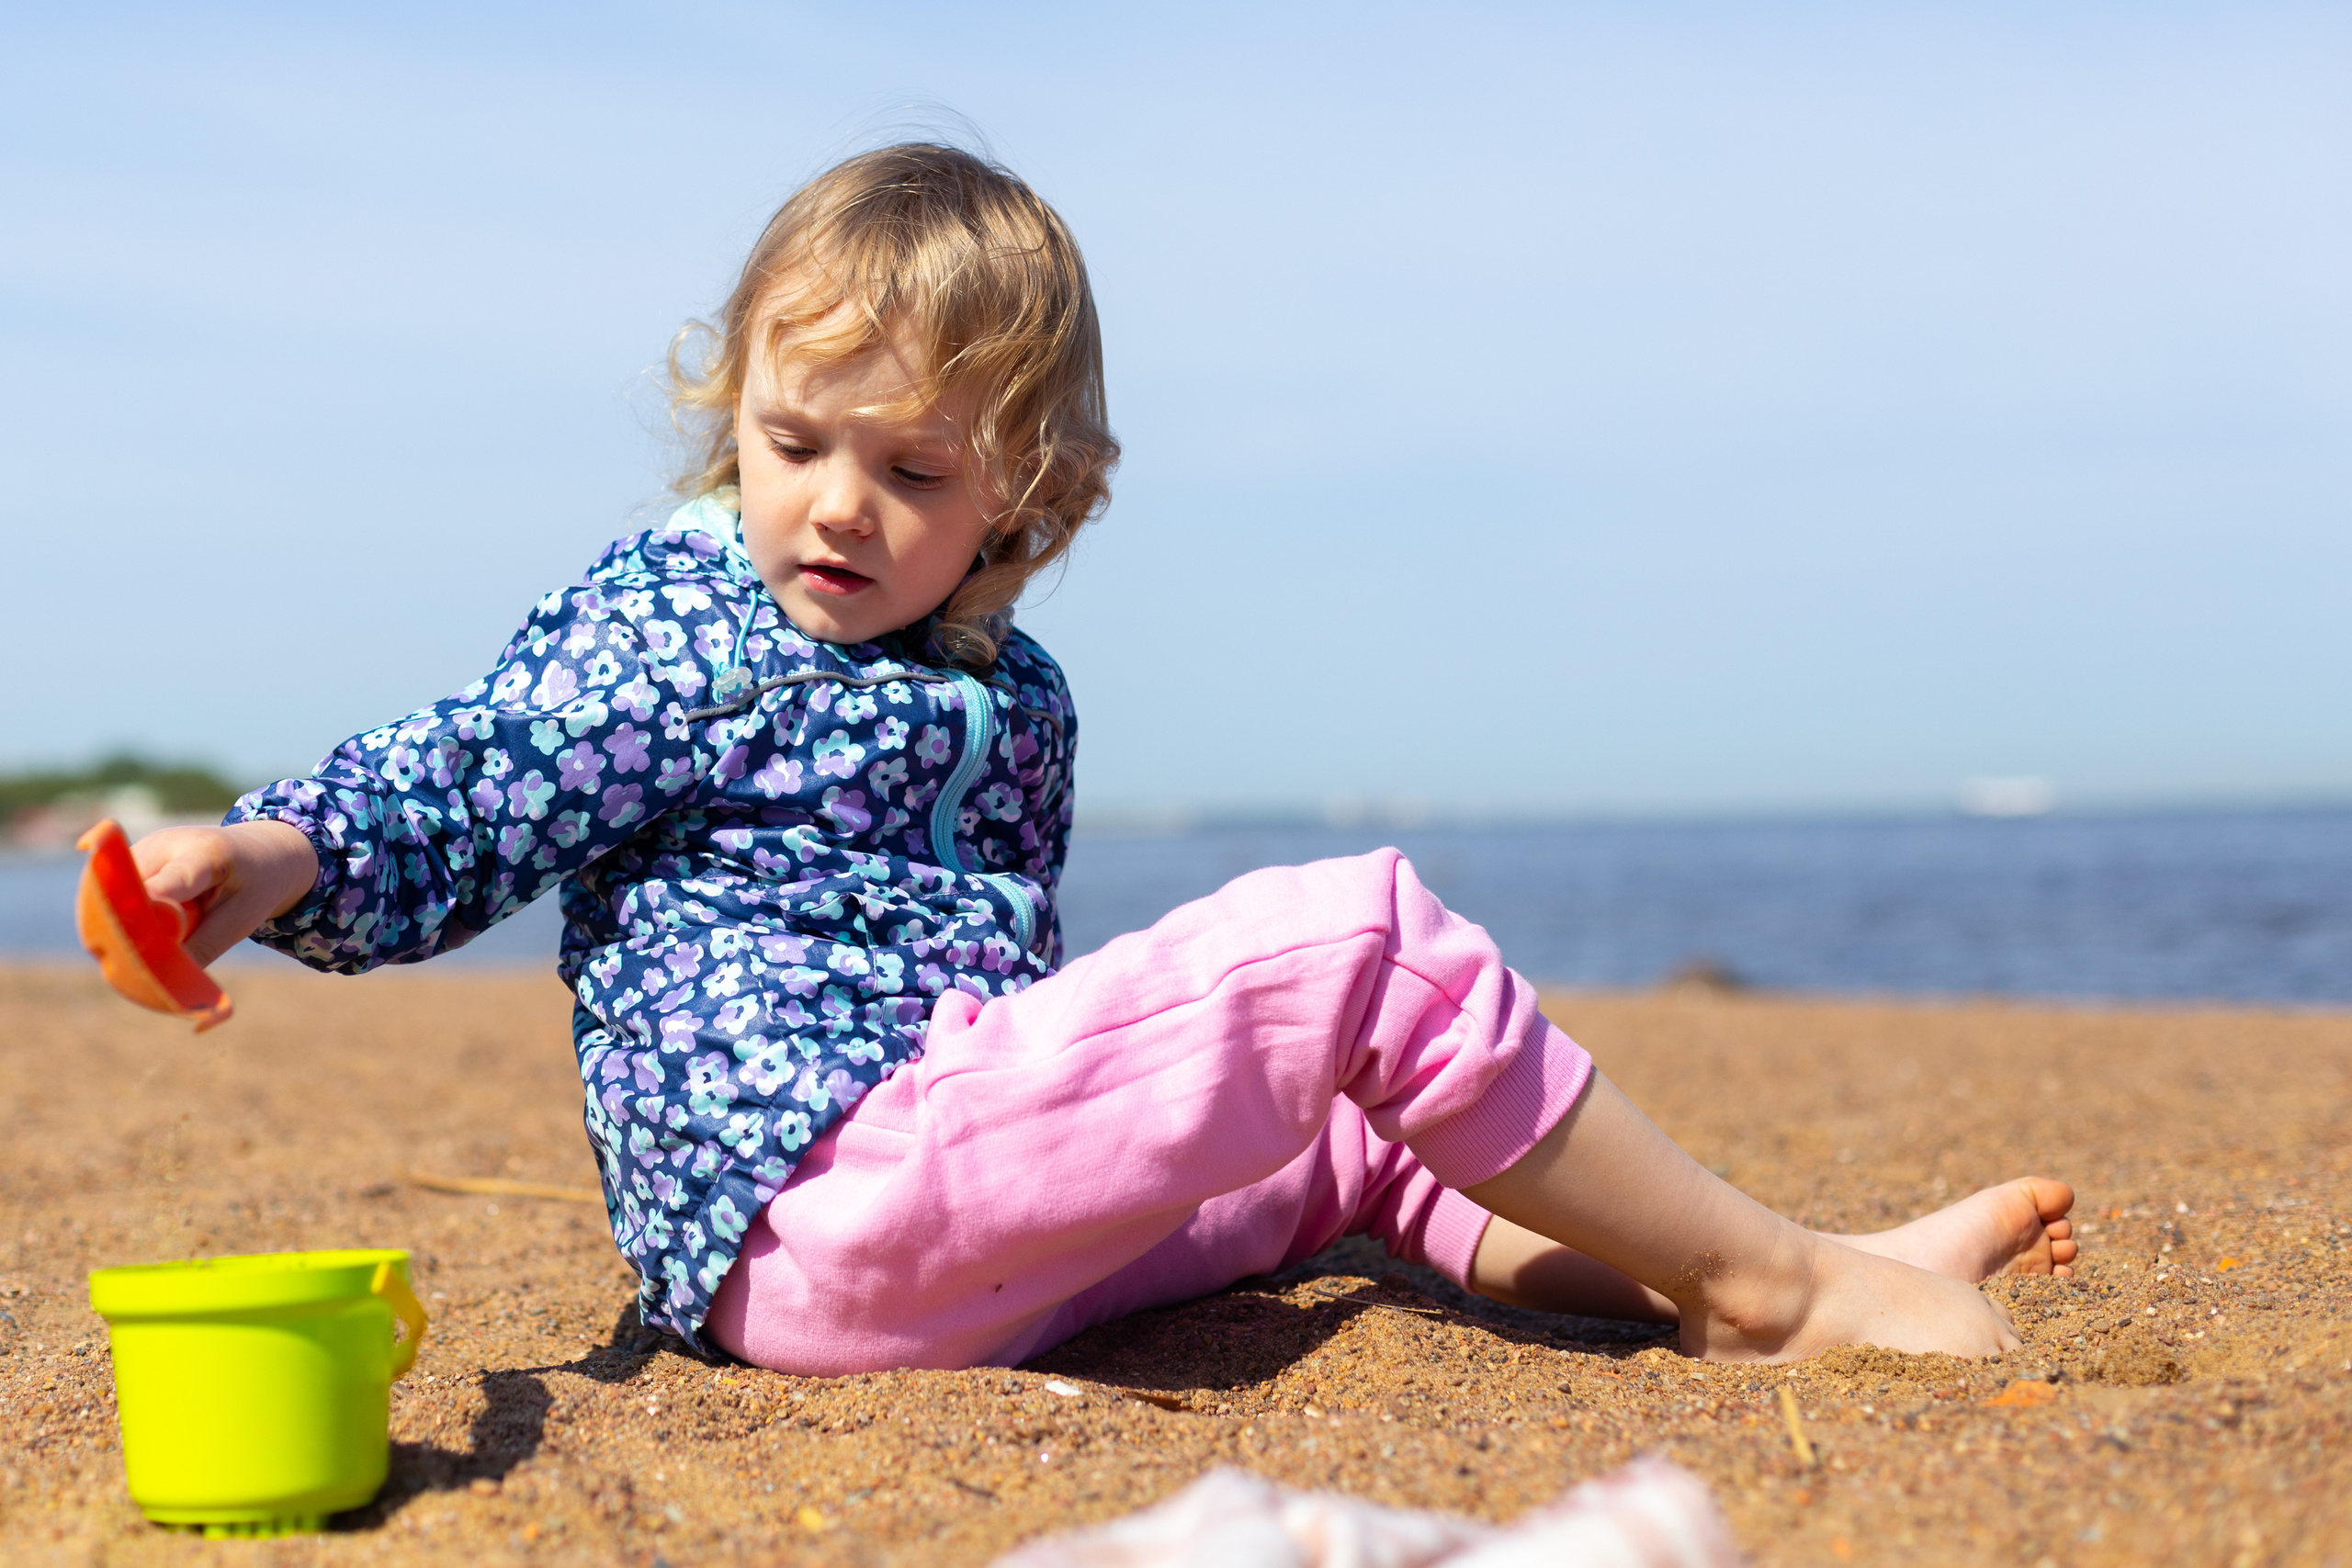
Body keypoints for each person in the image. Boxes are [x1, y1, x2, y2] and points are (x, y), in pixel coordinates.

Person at [128, 144, 2075, 1376]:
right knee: (1355, 951)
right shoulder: (680, 621)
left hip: (953, 1244)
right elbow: (478, 772)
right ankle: (1784, 1284)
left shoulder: (1012, 689)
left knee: (1349, 1134)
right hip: (823, 1200)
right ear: (737, 416)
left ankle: (1707, 1283)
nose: (832, 508)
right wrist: (277, 851)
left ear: (1018, 497)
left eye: (911, 470)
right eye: (794, 441)